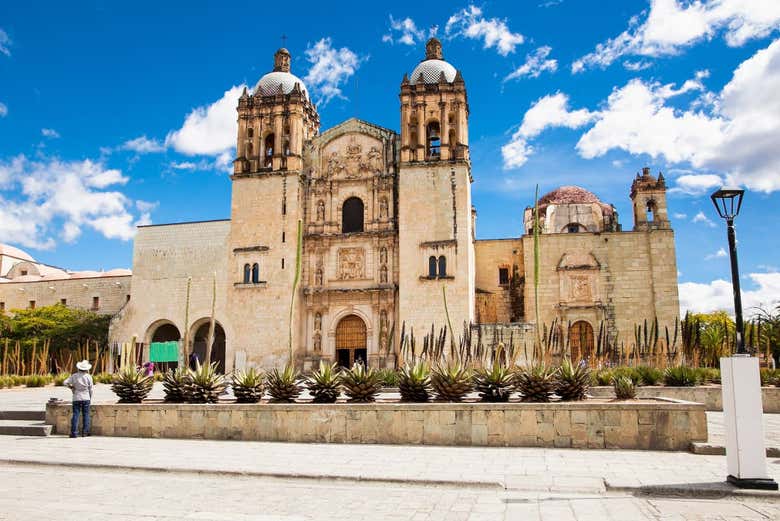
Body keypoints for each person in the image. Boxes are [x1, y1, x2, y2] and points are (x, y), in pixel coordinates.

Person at [64, 360, 94, 438]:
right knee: (86, 415)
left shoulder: (74, 376)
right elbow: (91, 389)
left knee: (75, 415)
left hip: (76, 397)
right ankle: (85, 432)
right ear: (86, 369)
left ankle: (74, 433)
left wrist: (71, 387)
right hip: (86, 397)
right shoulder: (88, 377)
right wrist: (90, 397)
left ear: (79, 368)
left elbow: (65, 382)